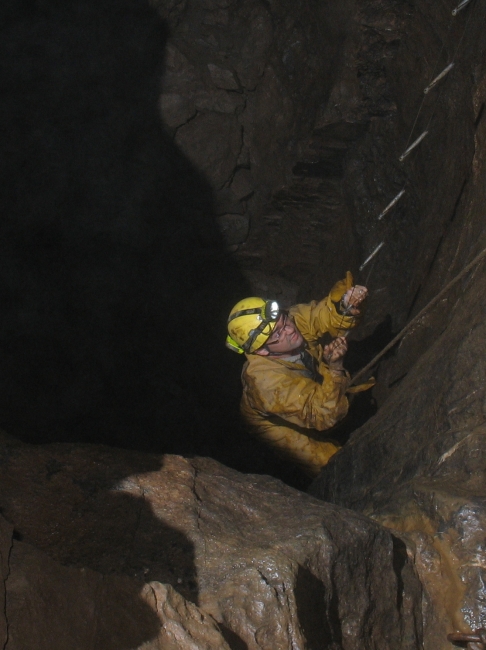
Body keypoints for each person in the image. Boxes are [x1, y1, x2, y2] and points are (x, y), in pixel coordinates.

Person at [226, 272, 372, 477]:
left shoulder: (291, 321)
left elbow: (322, 315)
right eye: (277, 334)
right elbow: (322, 415)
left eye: (283, 321)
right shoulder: (266, 384)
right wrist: (335, 369)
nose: (288, 330)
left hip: (304, 388)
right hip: (274, 423)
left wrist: (346, 303)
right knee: (330, 462)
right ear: (261, 351)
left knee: (349, 406)